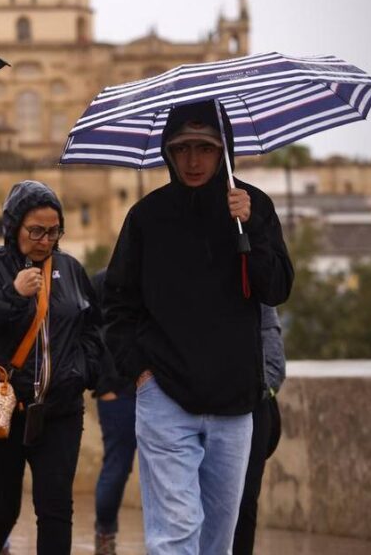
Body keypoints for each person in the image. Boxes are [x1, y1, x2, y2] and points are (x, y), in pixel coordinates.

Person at [103, 100, 293, 555]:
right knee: (175, 534)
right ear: (168, 152)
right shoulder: (146, 218)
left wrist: (250, 228)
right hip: (165, 399)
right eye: (182, 148)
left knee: (218, 541)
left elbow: (277, 288)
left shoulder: (253, 207)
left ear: (224, 151)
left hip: (235, 404)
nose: (192, 160)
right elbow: (117, 305)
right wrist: (142, 376)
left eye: (205, 148)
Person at [0, 180, 104, 555]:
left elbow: (94, 327)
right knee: (0, 512)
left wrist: (81, 370)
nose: (44, 240)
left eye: (53, 232)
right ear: (14, 227)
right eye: (35, 231)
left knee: (55, 510)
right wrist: (11, 295)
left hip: (58, 412)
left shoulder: (70, 269)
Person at [232, 304, 286, 555]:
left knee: (244, 502)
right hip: (196, 404)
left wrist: (254, 392)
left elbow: (275, 363)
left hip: (253, 406)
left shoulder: (257, 287)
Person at [89, 268, 136, 555]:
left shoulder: (147, 282)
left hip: (151, 390)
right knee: (117, 467)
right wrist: (105, 386)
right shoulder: (102, 283)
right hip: (116, 394)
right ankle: (105, 532)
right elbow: (92, 342)